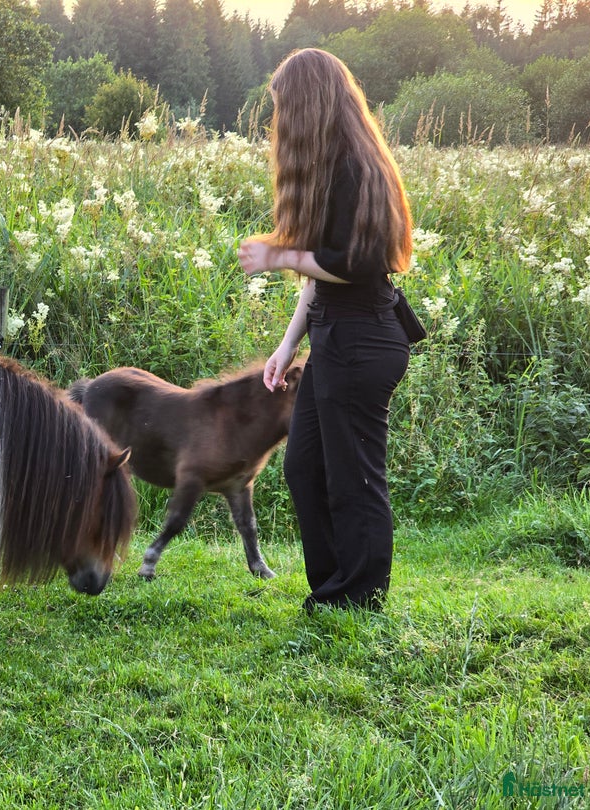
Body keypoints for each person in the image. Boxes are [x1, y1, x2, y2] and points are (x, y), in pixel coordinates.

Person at [237, 48, 413, 612]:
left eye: (285, 106)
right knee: (305, 465)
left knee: (354, 477)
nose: (279, 120)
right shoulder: (333, 165)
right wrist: (285, 346)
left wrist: (279, 257)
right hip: (335, 336)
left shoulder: (355, 169)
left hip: (363, 342)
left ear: (310, 103)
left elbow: (349, 263)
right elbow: (323, 281)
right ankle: (335, 586)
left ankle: (360, 598)